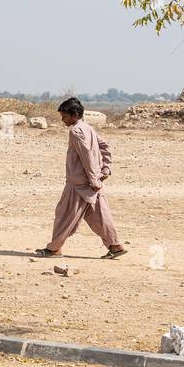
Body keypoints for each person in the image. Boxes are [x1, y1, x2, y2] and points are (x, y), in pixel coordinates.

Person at [35, 97, 128, 259]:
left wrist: (93, 180)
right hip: (93, 182)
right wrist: (105, 169)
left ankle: (54, 249)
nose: (62, 120)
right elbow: (105, 146)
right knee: (100, 217)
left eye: (64, 116)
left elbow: (86, 157)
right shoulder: (88, 128)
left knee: (64, 215)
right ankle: (115, 246)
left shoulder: (76, 131)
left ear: (74, 115)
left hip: (80, 184)